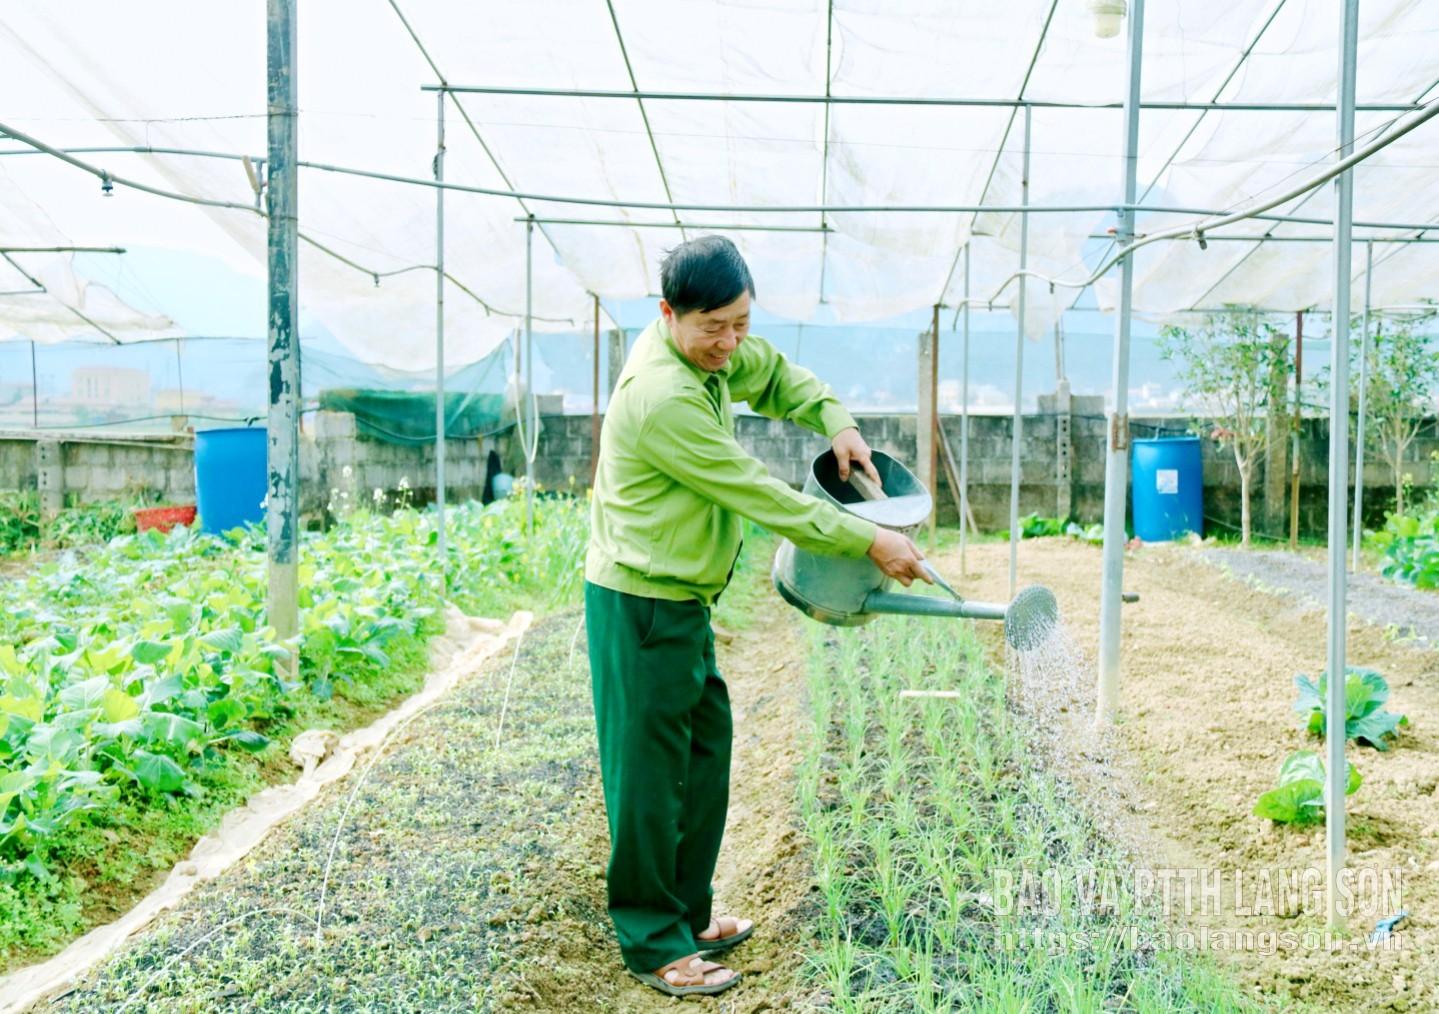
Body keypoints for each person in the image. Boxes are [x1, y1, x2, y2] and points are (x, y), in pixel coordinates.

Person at [584, 235, 930, 997]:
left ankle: (688, 912)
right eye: (715, 328)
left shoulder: (709, 350)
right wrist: (869, 537)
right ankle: (650, 942)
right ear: (669, 314)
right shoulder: (662, 397)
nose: (731, 343)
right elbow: (760, 493)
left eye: (741, 322)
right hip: (639, 602)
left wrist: (835, 420)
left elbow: (772, 373)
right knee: (647, 778)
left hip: (682, 600)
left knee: (703, 759)